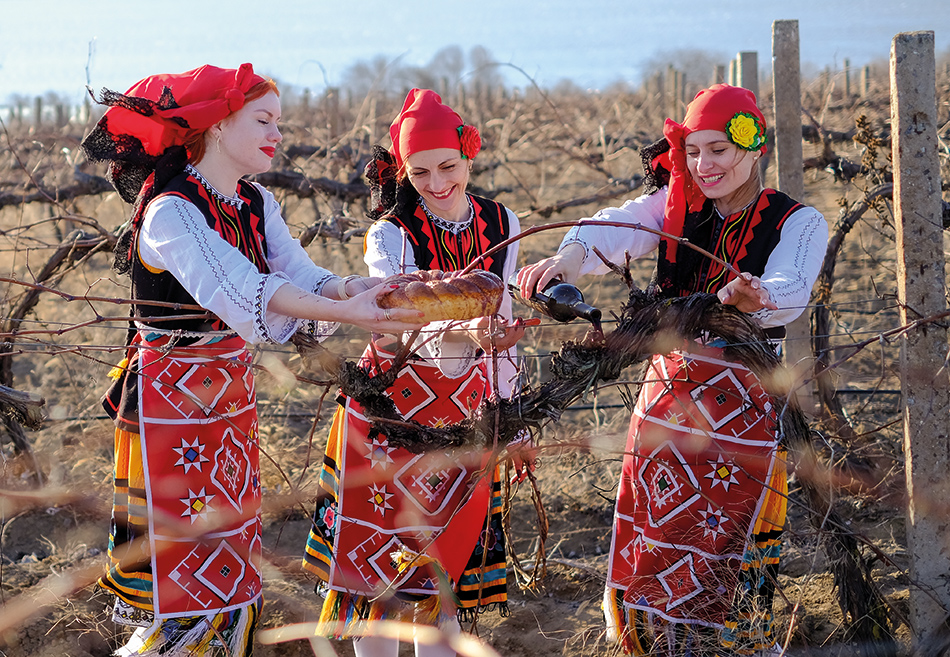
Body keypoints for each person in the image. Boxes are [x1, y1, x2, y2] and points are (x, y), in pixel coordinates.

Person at [80, 63, 423, 657]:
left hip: (228, 403)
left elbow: (300, 277)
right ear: (215, 126)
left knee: (230, 563)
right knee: (186, 577)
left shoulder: (254, 202)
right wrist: (350, 314)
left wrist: (362, 294)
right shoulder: (170, 210)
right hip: (173, 406)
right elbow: (241, 292)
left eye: (278, 123)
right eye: (263, 120)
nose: (277, 134)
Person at [518, 84, 828, 656]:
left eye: (719, 150)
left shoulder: (798, 221)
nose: (704, 166)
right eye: (693, 151)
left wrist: (757, 295)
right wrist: (565, 259)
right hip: (666, 406)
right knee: (654, 540)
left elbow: (793, 287)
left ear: (754, 145)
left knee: (725, 551)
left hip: (745, 413)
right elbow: (610, 228)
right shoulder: (672, 207)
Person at [302, 88, 533, 657]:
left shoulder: (504, 223)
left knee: (443, 580)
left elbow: (501, 328)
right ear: (405, 171)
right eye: (421, 171)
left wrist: (512, 415)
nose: (436, 183)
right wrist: (466, 332)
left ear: (468, 156)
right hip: (392, 410)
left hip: (468, 411)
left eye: (448, 167)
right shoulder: (389, 233)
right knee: (375, 581)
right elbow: (405, 318)